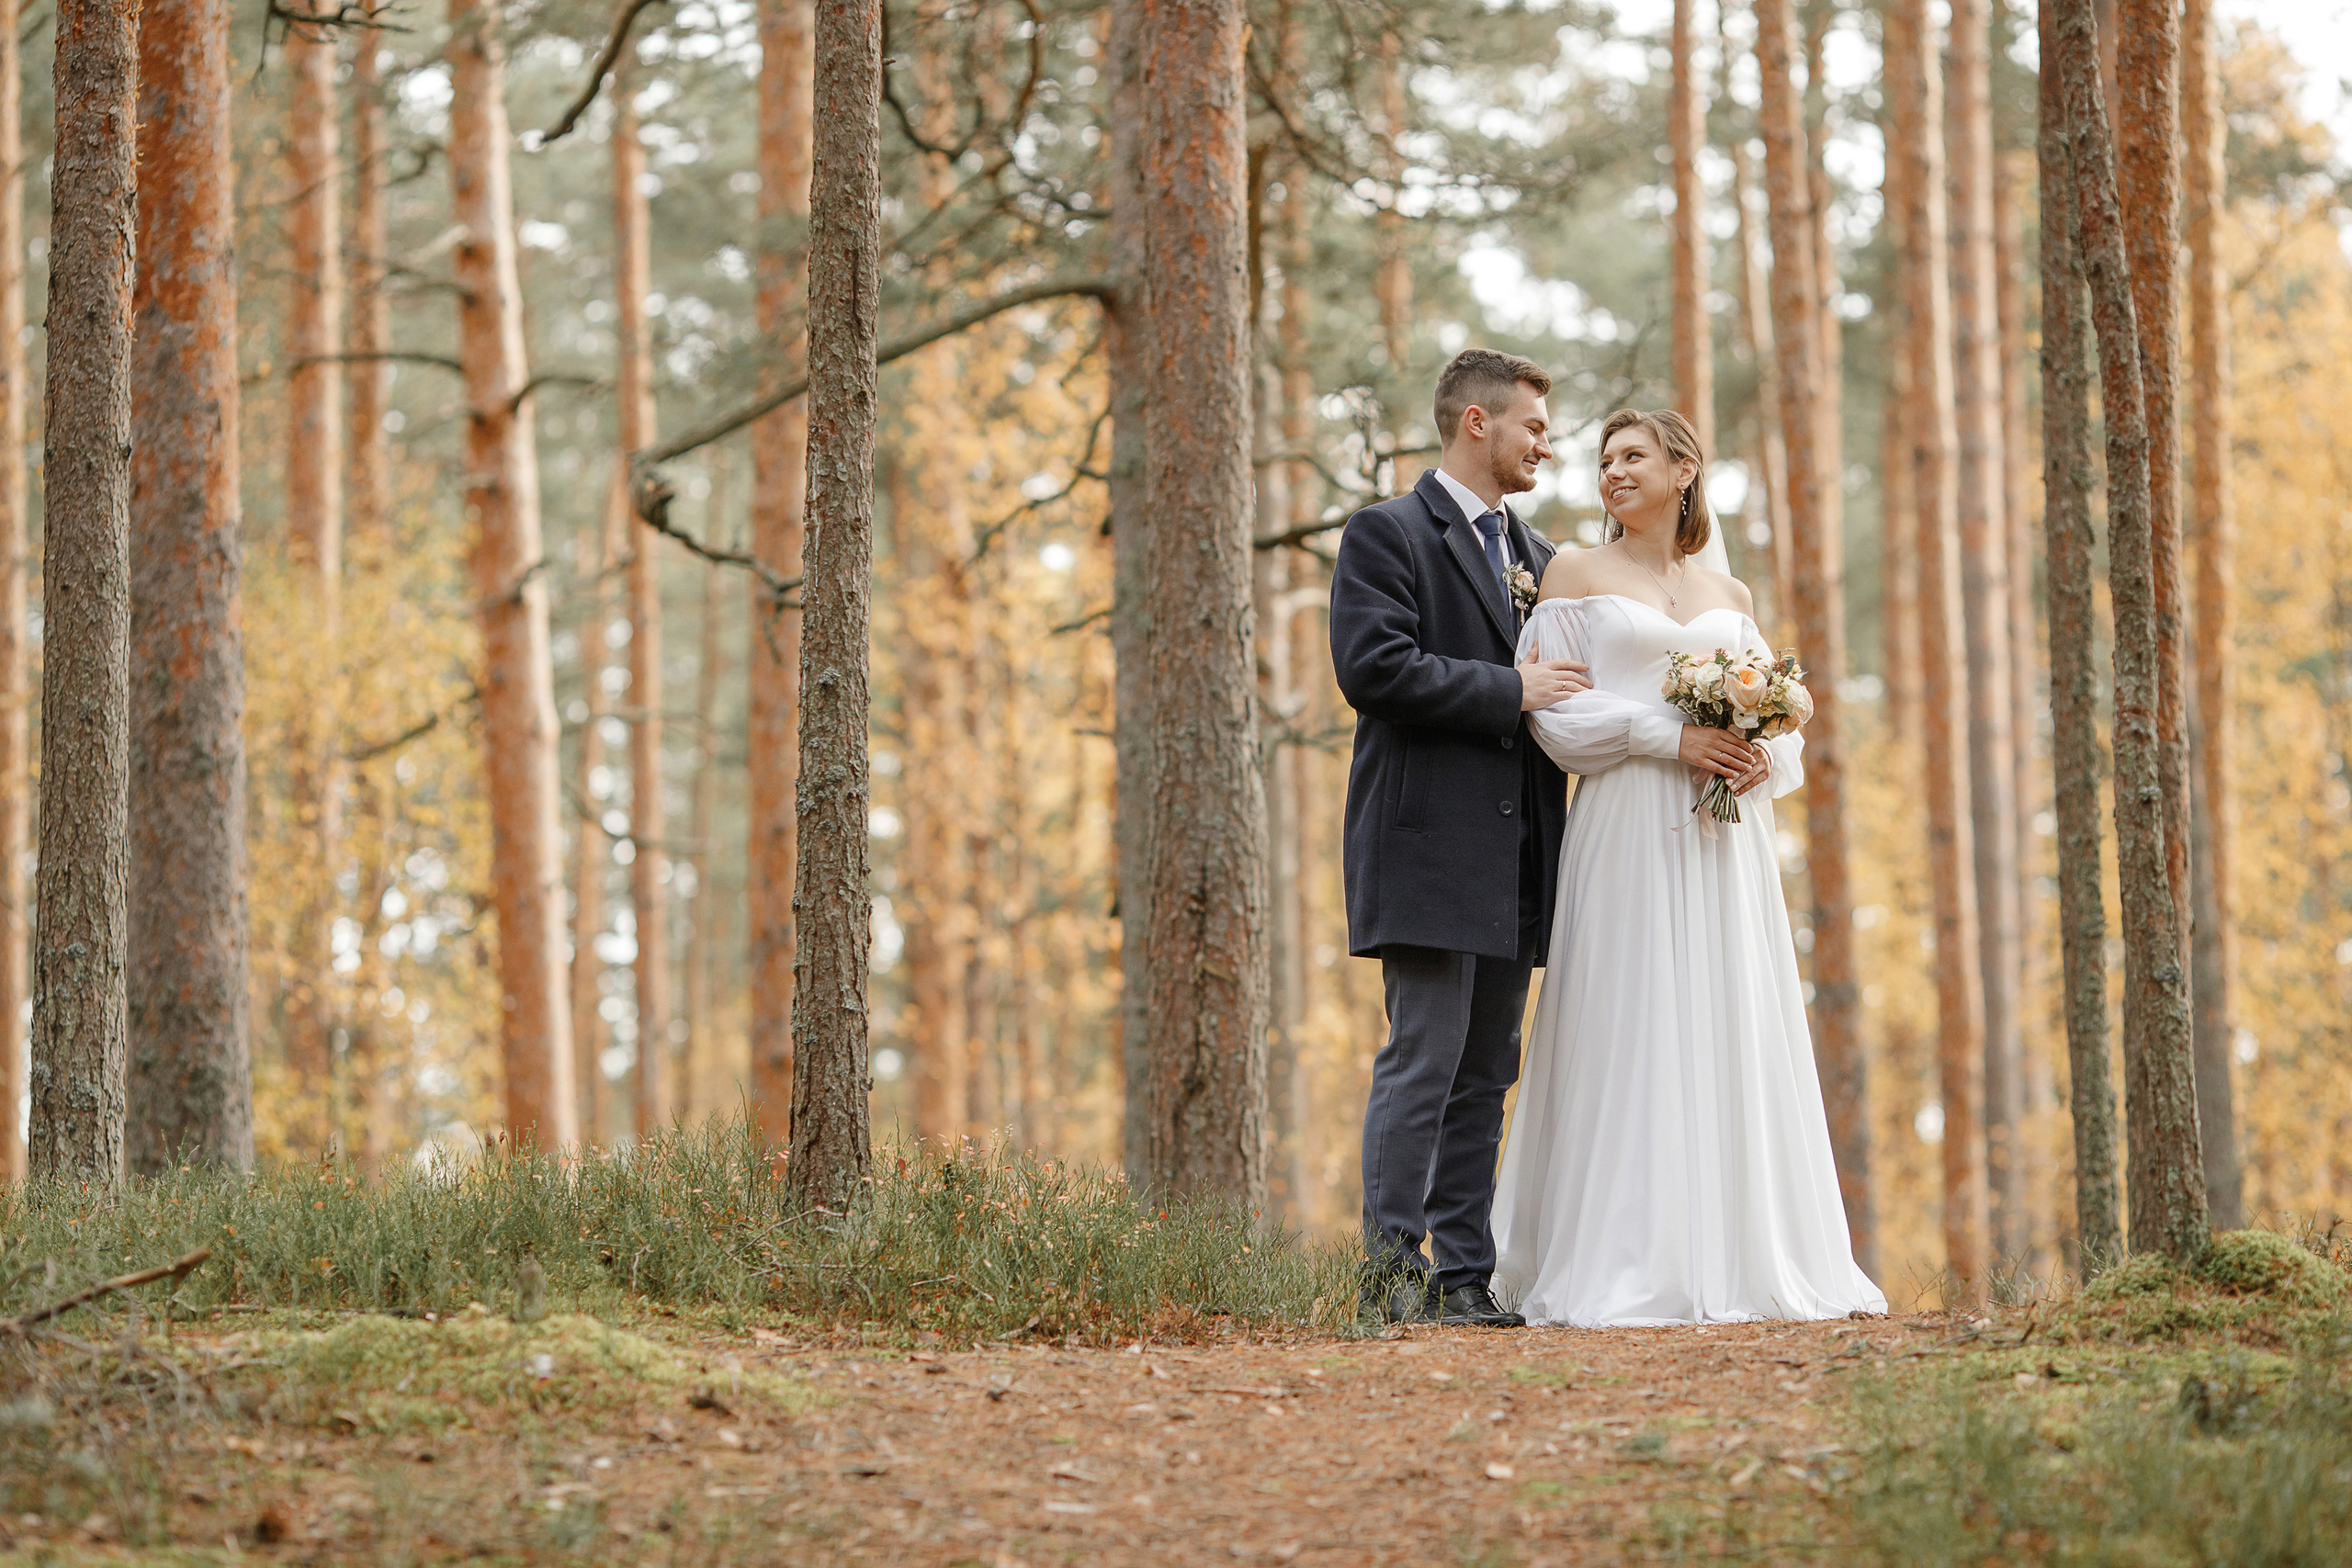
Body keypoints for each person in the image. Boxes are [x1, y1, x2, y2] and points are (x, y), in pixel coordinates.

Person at [1489, 408, 1885, 1326]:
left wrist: (1757, 757)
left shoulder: (1731, 595)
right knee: (1628, 1022)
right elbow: (1556, 719)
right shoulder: (1574, 573)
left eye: (1632, 457)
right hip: (1627, 823)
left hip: (1725, 841)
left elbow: (1780, 723)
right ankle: (1618, 1256)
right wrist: (1671, 738)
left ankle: (1740, 1254)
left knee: (1726, 1021)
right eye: (1603, 462)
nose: (1612, 473)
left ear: (1684, 470)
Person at [1328, 347, 1586, 1327]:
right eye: (1532, 427)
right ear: (1476, 423)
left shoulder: (1538, 557)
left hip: (1520, 856)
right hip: (1427, 848)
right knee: (1422, 1064)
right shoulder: (1388, 533)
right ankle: (1390, 1273)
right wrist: (1508, 689)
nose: (1544, 447)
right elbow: (1373, 667)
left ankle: (1461, 1277)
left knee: (1487, 1074)